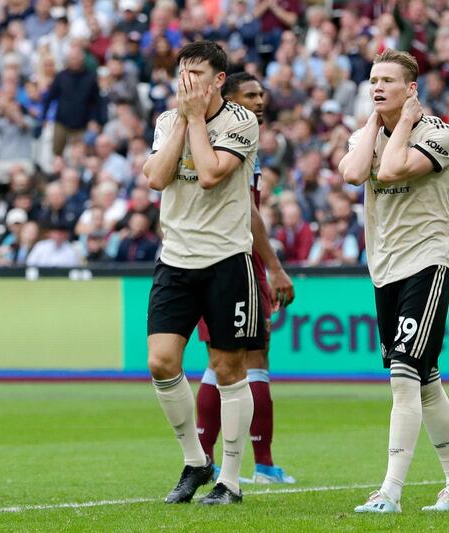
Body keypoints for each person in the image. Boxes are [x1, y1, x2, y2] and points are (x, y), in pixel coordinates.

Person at [339, 49, 449, 513]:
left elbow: (395, 168)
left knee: (404, 376)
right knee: (425, 380)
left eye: (387, 81)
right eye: (373, 80)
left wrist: (395, 127)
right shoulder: (367, 133)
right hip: (385, 267)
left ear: (411, 89)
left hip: (428, 262)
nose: (376, 87)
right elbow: (354, 173)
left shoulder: (441, 134)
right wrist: (378, 126)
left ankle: (390, 493)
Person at [143, 41, 261, 505]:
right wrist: (183, 120)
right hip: (176, 258)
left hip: (227, 258)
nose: (186, 81)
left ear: (217, 81)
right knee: (161, 362)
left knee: (228, 367)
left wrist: (193, 119)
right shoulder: (166, 120)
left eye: (196, 73)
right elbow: (156, 177)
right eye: (182, 72)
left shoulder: (241, 120)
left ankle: (229, 480)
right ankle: (196, 460)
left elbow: (211, 173)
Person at [194, 72, 296, 485]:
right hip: (235, 260)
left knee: (219, 362)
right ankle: (264, 465)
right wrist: (273, 266)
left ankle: (204, 459)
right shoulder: (235, 137)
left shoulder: (221, 137)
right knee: (250, 359)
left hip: (209, 255)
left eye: (261, 93)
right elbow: (250, 213)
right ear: (227, 97)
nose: (260, 100)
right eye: (249, 94)